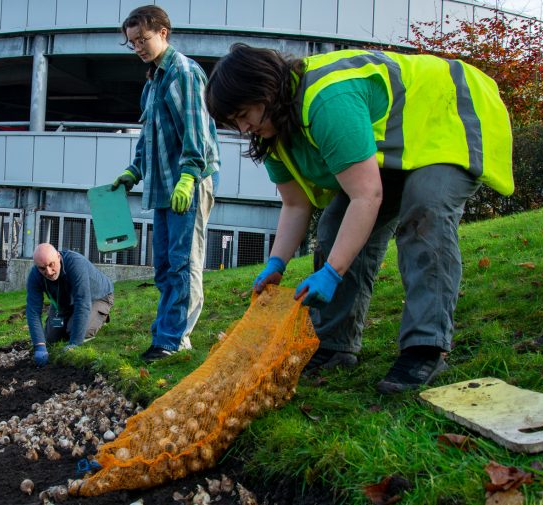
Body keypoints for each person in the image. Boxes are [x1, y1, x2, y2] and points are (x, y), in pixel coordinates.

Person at [204, 44, 513, 394]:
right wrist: (276, 263)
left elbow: (366, 196)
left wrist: (332, 272)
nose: (244, 128)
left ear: (266, 90)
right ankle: (335, 344)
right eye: (235, 123)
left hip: (446, 116)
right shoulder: (275, 132)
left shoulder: (327, 100)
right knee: (335, 226)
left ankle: (424, 346)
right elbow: (295, 205)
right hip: (396, 144)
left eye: (245, 114)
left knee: (425, 210)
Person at [111, 5, 220, 363]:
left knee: (182, 262)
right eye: (132, 43)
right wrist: (133, 171)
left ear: (163, 32)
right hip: (162, 187)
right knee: (163, 265)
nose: (138, 47)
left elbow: (198, 133)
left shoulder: (184, 74)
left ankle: (175, 339)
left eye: (142, 39)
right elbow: (148, 138)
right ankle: (164, 334)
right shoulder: (152, 81)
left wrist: (189, 175)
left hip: (188, 183)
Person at [26, 244, 115, 366]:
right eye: (42, 268)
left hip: (96, 298)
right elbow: (33, 311)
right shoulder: (35, 276)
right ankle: (69, 321)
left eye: (51, 264)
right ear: (37, 267)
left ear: (58, 256)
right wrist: (39, 346)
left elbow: (82, 302)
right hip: (64, 303)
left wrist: (75, 343)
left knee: (73, 330)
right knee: (51, 338)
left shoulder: (75, 263)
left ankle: (100, 316)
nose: (49, 272)